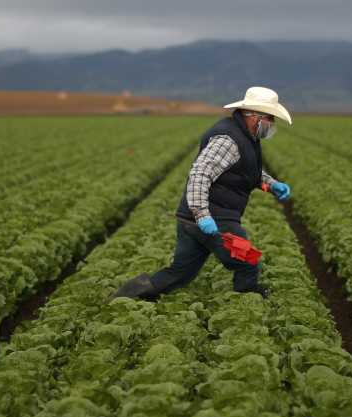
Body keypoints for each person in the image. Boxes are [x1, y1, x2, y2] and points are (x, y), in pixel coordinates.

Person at [113, 86, 293, 301]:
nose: (271, 124)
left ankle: (126, 296)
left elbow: (245, 169)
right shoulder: (229, 140)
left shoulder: (244, 136)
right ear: (255, 116)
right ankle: (247, 301)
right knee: (248, 260)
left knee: (180, 272)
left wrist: (271, 185)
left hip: (192, 220)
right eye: (270, 119)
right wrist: (203, 215)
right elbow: (200, 173)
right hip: (214, 218)